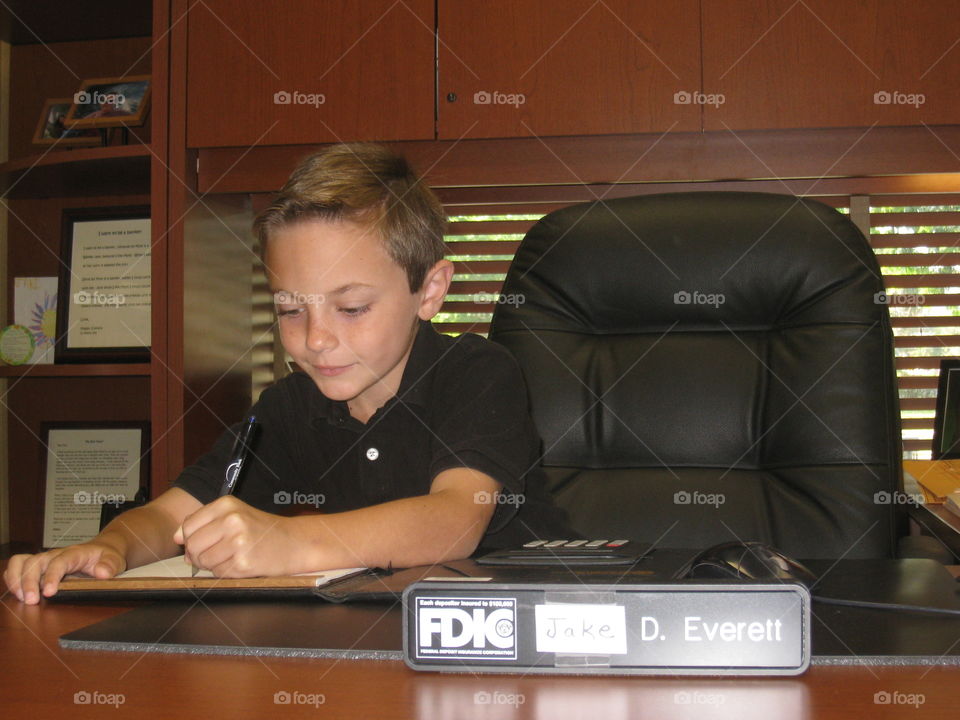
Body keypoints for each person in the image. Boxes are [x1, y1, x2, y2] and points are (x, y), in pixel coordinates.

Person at [4, 143, 573, 604]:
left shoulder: (476, 371)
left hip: (518, 628)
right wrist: (111, 547)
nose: (316, 338)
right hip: (369, 638)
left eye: (351, 308)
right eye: (290, 308)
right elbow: (175, 512)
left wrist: (288, 541)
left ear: (430, 290)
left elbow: (454, 520)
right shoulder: (288, 407)